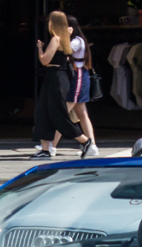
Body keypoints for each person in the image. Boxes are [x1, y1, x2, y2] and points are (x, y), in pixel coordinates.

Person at [31, 11, 94, 161]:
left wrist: (40, 47)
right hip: (55, 76)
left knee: (57, 113)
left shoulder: (56, 39)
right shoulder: (64, 40)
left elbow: (44, 60)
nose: (48, 25)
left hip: (56, 77)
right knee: (43, 112)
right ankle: (45, 149)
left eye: (50, 22)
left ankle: (84, 140)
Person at [53, 15, 98, 157]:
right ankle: (92, 146)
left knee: (63, 112)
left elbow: (62, 49)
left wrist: (61, 36)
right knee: (81, 113)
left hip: (77, 76)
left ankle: (51, 145)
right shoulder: (76, 40)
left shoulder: (77, 41)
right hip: (77, 75)